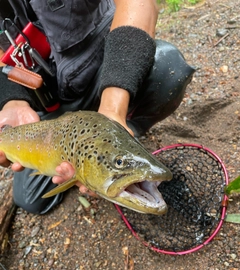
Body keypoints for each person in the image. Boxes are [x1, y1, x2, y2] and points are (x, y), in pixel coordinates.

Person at [0, 0, 195, 214]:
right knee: (30, 200)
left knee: (167, 69)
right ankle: (102, 159)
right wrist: (12, 100)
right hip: (48, 103)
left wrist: (113, 109)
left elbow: (141, 4)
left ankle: (125, 130)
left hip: (106, 70)